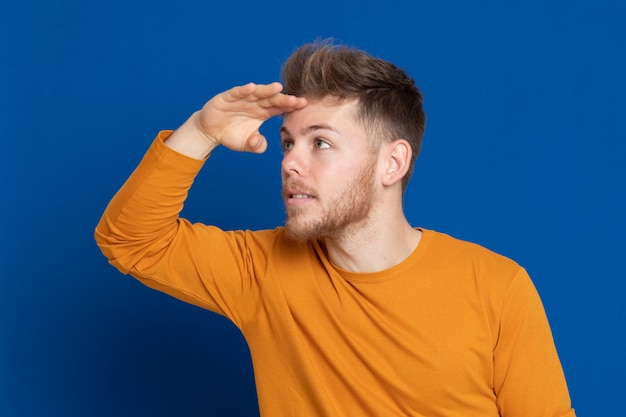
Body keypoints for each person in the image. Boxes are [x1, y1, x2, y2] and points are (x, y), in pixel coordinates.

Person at [95, 40, 576, 417]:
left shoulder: (497, 287)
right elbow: (129, 239)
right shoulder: (262, 272)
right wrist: (200, 132)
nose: (290, 164)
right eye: (287, 143)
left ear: (393, 162)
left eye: (320, 143)